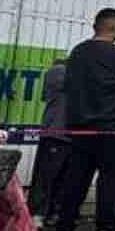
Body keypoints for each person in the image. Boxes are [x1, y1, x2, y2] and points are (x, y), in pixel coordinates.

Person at [51, 8, 115, 231]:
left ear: (95, 26)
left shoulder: (78, 52)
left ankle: (64, 225)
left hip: (81, 125)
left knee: (77, 175)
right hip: (114, 126)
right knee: (112, 176)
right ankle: (106, 227)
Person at [27, 56, 70, 220]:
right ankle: (37, 212)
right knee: (46, 177)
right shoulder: (58, 71)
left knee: (61, 178)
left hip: (69, 134)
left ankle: (52, 211)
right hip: (56, 133)